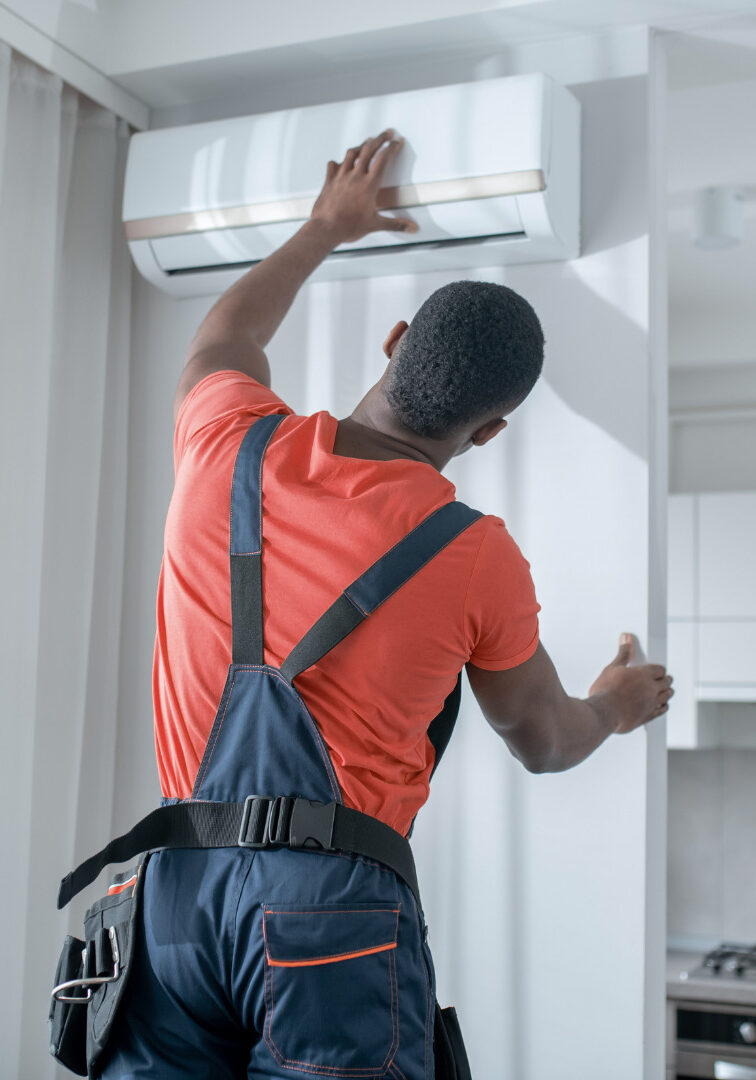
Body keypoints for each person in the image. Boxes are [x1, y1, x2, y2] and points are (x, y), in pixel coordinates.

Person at [102, 129, 673, 1078]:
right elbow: (544, 742)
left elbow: (226, 338)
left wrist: (327, 226)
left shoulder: (224, 442)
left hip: (172, 896)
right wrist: (615, 701)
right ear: (490, 431)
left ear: (396, 341)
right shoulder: (475, 555)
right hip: (328, 918)